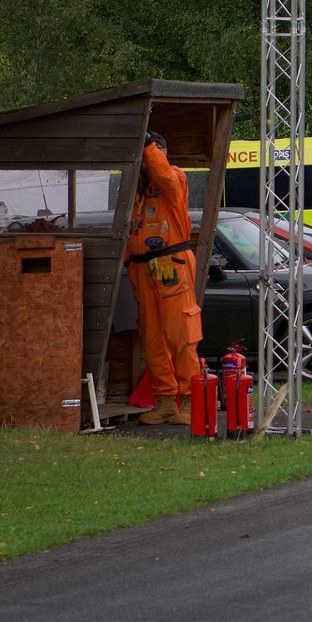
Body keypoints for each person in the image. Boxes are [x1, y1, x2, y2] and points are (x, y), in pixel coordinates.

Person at [125, 132, 204, 426]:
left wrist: (147, 146)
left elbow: (165, 176)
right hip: (143, 269)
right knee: (152, 338)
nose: (145, 161)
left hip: (171, 264)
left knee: (182, 336)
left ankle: (194, 401)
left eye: (150, 154)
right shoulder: (138, 187)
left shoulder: (175, 178)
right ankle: (166, 401)